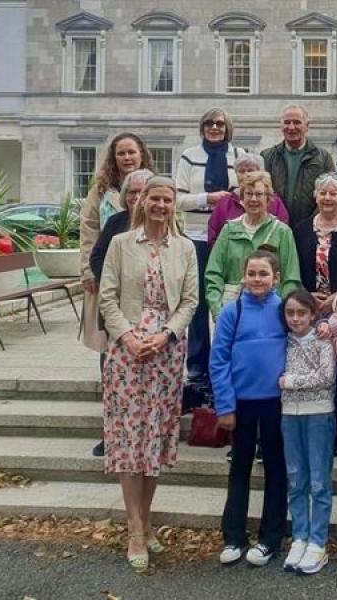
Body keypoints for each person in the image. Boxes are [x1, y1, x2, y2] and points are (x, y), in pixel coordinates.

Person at [98, 175, 198, 572]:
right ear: (142, 203)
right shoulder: (123, 244)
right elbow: (106, 295)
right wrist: (127, 336)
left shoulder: (185, 248)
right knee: (129, 439)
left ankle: (147, 518)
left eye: (167, 199)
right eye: (154, 199)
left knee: (154, 439)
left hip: (166, 353)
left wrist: (166, 335)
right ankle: (135, 529)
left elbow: (190, 301)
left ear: (175, 205)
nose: (160, 205)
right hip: (127, 353)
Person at [211, 250, 288, 567]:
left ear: (276, 278)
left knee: (276, 468)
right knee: (240, 467)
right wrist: (225, 405)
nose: (257, 280)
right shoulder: (233, 311)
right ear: (243, 276)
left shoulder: (285, 309)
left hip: (276, 403)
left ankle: (271, 537)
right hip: (241, 403)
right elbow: (218, 361)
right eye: (252, 274)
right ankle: (233, 535)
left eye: (264, 274)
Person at [79, 133, 153, 457]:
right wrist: (90, 273)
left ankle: (146, 430)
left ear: (141, 155)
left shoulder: (158, 198)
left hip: (148, 305)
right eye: (121, 153)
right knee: (110, 364)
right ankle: (112, 431)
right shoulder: (102, 196)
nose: (126, 157)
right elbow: (91, 240)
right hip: (110, 293)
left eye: (131, 152)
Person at [176, 108, 246, 388]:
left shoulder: (239, 155)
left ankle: (227, 357)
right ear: (202, 126)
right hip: (196, 234)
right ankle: (197, 365)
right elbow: (178, 199)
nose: (214, 127)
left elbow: (249, 191)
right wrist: (209, 198)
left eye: (220, 123)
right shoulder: (190, 156)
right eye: (209, 123)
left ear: (227, 127)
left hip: (230, 235)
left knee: (229, 297)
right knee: (198, 301)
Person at [294, 172, 337, 455]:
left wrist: (336, 298)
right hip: (308, 307)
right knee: (312, 368)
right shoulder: (300, 229)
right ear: (316, 196)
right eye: (323, 193)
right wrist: (309, 296)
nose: (328, 198)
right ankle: (310, 430)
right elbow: (292, 265)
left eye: (334, 193)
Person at [279, 289, 337, 575]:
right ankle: (300, 536)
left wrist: (292, 381)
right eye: (290, 313)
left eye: (302, 313)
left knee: (318, 480)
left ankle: (318, 541)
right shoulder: (283, 343)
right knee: (296, 478)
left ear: (313, 314)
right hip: (289, 415)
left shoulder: (323, 342)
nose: (295, 318)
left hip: (318, 414)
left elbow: (326, 377)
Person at [205, 172, 301, 319]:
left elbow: (291, 278)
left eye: (259, 194)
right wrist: (218, 310)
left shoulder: (282, 232)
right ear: (242, 198)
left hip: (270, 310)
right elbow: (213, 273)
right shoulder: (229, 230)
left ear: (268, 198)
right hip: (231, 309)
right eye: (249, 194)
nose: (253, 199)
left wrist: (281, 311)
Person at [261, 104, 335, 224]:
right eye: (287, 122)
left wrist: (311, 224)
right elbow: (262, 194)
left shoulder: (323, 157)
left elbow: (330, 193)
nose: (291, 127)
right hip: (274, 227)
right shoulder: (267, 157)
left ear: (307, 126)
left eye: (297, 122)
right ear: (281, 126)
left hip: (311, 228)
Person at [207, 153, 289, 248]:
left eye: (250, 170)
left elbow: (283, 233)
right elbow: (213, 236)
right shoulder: (225, 203)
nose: (246, 175)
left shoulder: (274, 201)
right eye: (241, 171)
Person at [90, 169, 155, 283]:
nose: (137, 197)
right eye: (132, 192)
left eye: (142, 192)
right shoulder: (114, 222)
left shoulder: (161, 222)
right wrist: (110, 281)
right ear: (125, 195)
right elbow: (97, 258)